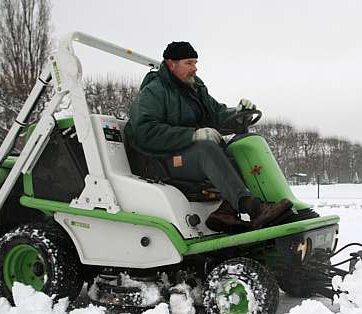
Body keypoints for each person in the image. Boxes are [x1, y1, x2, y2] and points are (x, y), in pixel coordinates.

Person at [125, 41, 293, 232]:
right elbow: (145, 132)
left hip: (188, 154)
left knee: (237, 150)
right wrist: (192, 135)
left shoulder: (195, 87)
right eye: (189, 63)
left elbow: (216, 114)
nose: (195, 68)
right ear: (172, 64)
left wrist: (239, 113)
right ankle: (253, 207)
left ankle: (225, 212)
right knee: (206, 149)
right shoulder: (154, 91)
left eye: (195, 63)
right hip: (161, 160)